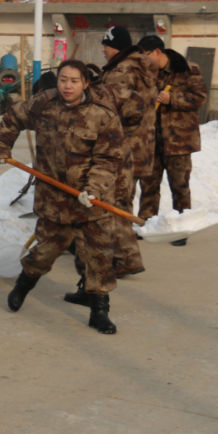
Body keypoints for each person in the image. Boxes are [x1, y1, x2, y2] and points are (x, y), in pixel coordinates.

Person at [0, 60, 123, 334]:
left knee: (99, 256)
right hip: (54, 199)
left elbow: (109, 158)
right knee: (45, 252)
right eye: (63, 79)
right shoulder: (43, 104)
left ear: (86, 83)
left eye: (74, 80)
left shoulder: (102, 115)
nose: (67, 85)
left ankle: (100, 311)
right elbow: (12, 117)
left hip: (92, 201)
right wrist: (1, 147)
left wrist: (94, 189)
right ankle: (23, 285)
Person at [94, 25, 157, 277]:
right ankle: (119, 254)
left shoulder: (121, 71)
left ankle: (126, 258)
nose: (103, 50)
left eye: (106, 45)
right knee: (123, 200)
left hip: (121, 147)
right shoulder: (140, 68)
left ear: (117, 47)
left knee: (116, 202)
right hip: (140, 146)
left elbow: (109, 111)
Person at [137, 35, 208, 246]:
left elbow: (200, 97)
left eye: (146, 55)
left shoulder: (187, 69)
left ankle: (180, 230)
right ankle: (147, 224)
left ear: (158, 52)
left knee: (179, 186)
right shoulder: (146, 73)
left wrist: (172, 99)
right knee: (148, 186)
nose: (144, 61)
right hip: (152, 140)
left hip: (179, 140)